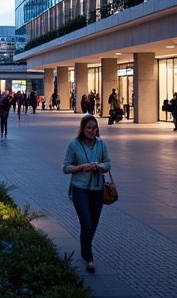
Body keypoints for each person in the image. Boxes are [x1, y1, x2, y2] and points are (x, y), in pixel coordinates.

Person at [62, 115, 111, 274]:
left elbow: (108, 164)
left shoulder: (101, 144)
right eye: (88, 127)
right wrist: (82, 167)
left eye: (94, 127)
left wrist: (99, 166)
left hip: (97, 189)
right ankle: (90, 258)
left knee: (94, 223)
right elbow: (66, 168)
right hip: (80, 189)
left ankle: (85, 248)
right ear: (83, 128)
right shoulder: (74, 144)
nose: (92, 130)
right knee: (87, 223)